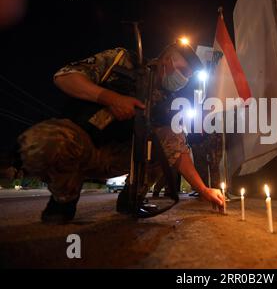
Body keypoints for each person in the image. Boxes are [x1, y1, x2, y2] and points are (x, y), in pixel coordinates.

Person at [17, 41, 224, 223]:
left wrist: (205, 190)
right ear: (167, 61)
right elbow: (64, 77)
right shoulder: (122, 60)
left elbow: (178, 149)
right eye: (184, 72)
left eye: (188, 76)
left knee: (161, 147)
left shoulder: (167, 102)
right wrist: (109, 98)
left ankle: (132, 197)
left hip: (118, 159)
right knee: (44, 141)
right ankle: (64, 198)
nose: (184, 80)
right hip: (82, 144)